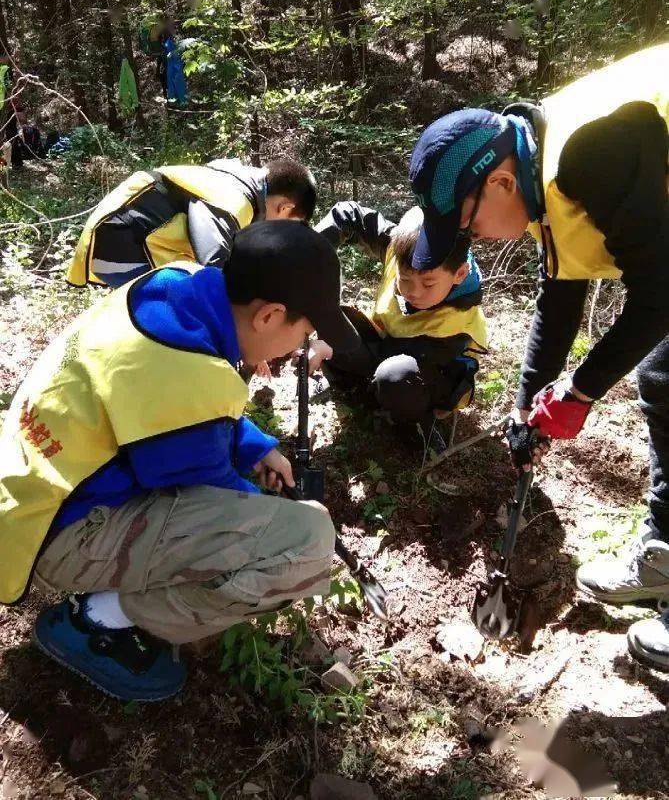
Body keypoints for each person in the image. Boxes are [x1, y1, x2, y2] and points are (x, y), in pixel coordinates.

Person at [0, 220, 357, 701]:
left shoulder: (173, 287)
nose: (298, 348)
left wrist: (255, 445)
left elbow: (165, 408)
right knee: (306, 542)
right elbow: (208, 487)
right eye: (303, 332)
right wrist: (291, 515)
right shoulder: (188, 371)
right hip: (55, 536)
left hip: (30, 496)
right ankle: (97, 621)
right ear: (270, 315)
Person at [407, 42, 669, 669]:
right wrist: (529, 407)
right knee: (661, 378)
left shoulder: (589, 151)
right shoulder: (540, 165)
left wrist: (579, 394)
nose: (474, 241)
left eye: (469, 227)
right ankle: (665, 553)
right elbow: (561, 298)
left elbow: (659, 293)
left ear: (498, 181)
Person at [314, 202, 487, 453]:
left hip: (428, 376)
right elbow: (349, 214)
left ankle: (417, 424)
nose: (412, 292)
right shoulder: (402, 246)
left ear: (459, 274)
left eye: (428, 284)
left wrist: (330, 347)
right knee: (331, 317)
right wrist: (312, 251)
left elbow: (384, 359)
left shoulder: (457, 322)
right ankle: (358, 392)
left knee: (395, 377)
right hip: (389, 344)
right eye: (404, 278)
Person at [66, 156, 317, 288]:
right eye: (288, 225)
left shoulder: (236, 176)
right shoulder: (234, 199)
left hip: (122, 236)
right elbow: (214, 263)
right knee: (196, 297)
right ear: (285, 208)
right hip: (119, 244)